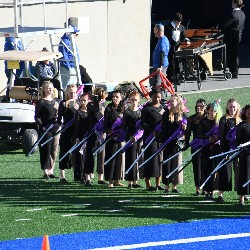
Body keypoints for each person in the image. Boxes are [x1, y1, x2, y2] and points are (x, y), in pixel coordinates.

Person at [161, 94, 187, 193]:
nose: (171, 103)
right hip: (167, 142)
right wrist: (163, 142)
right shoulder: (166, 113)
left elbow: (187, 129)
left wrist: (185, 128)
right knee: (166, 163)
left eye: (173, 101)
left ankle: (174, 186)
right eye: (170, 101)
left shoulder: (183, 114)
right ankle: (167, 186)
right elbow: (163, 128)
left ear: (178, 102)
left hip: (177, 143)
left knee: (176, 163)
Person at [197, 101, 222, 200]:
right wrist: (208, 138)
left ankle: (213, 190)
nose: (213, 113)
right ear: (208, 110)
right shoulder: (203, 121)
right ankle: (207, 190)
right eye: (211, 110)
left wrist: (217, 138)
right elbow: (199, 135)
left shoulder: (219, 122)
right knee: (206, 168)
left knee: (215, 169)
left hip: (216, 148)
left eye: (215, 111)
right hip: (206, 148)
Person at [34, 81, 60, 179]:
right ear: (44, 89)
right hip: (46, 129)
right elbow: (36, 117)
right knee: (46, 149)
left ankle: (51, 170)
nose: (50, 90)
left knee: (54, 149)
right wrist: (43, 126)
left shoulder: (56, 101)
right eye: (48, 88)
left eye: (51, 88)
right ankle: (45, 171)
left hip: (55, 129)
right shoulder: (41, 102)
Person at [141, 89, 165, 191]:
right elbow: (143, 123)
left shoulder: (163, 107)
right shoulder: (146, 109)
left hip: (160, 137)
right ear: (151, 97)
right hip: (149, 137)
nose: (157, 99)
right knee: (149, 159)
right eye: (155, 97)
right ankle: (148, 184)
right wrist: (152, 131)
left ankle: (158, 183)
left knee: (159, 159)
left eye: (159, 97)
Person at [218, 98, 241, 202]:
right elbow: (222, 137)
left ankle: (242, 193)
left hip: (239, 151)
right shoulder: (224, 120)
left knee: (240, 172)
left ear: (237, 107)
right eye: (230, 106)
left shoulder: (240, 119)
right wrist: (224, 151)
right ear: (227, 107)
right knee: (225, 172)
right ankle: (220, 194)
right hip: (227, 150)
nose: (232, 109)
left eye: (234, 107)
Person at [57, 84, 79, 183]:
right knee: (64, 152)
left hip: (77, 132)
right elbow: (59, 119)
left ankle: (77, 175)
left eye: (74, 92)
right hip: (67, 131)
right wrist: (60, 126)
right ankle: (62, 176)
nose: (72, 94)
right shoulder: (63, 103)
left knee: (77, 153)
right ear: (67, 92)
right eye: (70, 92)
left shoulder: (79, 103)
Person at [184, 99, 207, 195]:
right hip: (196, 145)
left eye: (201, 106)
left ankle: (205, 187)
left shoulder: (208, 118)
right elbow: (188, 133)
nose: (199, 108)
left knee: (205, 166)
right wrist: (186, 144)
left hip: (206, 145)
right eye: (197, 106)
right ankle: (197, 187)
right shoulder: (191, 118)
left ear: (205, 107)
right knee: (196, 166)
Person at [103, 90, 125, 187]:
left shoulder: (123, 109)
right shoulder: (109, 108)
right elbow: (106, 122)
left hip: (121, 137)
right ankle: (110, 181)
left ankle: (117, 179)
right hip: (111, 137)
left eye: (117, 97)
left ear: (121, 98)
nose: (115, 98)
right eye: (114, 97)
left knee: (119, 159)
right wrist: (109, 130)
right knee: (111, 158)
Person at [219, 0, 245, 79]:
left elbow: (225, 24)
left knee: (231, 54)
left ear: (235, 3)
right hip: (239, 35)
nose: (231, 3)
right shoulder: (243, 14)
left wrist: (217, 27)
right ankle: (235, 71)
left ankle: (233, 72)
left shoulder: (233, 14)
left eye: (232, 2)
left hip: (233, 35)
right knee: (235, 54)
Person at [87, 87, 108, 185]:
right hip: (93, 131)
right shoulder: (91, 104)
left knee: (101, 155)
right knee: (90, 155)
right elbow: (96, 114)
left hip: (102, 133)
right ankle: (88, 177)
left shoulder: (105, 105)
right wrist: (96, 100)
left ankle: (100, 177)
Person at [122, 91, 142, 188]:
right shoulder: (127, 112)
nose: (134, 102)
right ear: (130, 100)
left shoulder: (141, 111)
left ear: (139, 100)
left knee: (137, 158)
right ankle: (130, 180)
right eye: (132, 100)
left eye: (136, 100)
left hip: (139, 137)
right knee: (130, 158)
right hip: (130, 138)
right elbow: (124, 126)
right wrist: (130, 135)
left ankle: (135, 180)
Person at [164, 12, 190, 82]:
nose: (178, 23)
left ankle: (177, 77)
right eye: (177, 22)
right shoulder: (168, 27)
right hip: (170, 48)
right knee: (170, 63)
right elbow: (165, 37)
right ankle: (169, 77)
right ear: (174, 21)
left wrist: (186, 40)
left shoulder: (181, 27)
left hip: (178, 48)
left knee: (178, 63)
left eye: (180, 22)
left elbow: (183, 36)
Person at [236, 104, 250, 205]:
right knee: (243, 175)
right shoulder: (242, 125)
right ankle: (241, 197)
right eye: (248, 112)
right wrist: (241, 147)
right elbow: (238, 140)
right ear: (245, 113)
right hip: (245, 154)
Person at [74, 93, 90, 183]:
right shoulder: (79, 113)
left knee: (88, 156)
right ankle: (80, 176)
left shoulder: (90, 112)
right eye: (82, 100)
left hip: (89, 137)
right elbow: (77, 126)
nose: (83, 102)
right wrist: (77, 137)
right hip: (81, 137)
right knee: (80, 157)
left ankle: (88, 175)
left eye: (85, 100)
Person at [59, 25, 80, 89]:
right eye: (75, 34)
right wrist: (68, 67)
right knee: (67, 86)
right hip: (67, 68)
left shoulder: (72, 42)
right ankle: (65, 96)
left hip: (73, 66)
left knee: (73, 85)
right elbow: (64, 56)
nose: (76, 36)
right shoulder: (65, 42)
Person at [152, 23, 170, 99]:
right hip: (161, 66)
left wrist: (160, 66)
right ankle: (163, 99)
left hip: (160, 67)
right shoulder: (162, 39)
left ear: (158, 30)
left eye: (154, 30)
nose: (154, 32)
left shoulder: (162, 41)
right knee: (162, 83)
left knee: (158, 84)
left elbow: (162, 53)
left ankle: (159, 100)